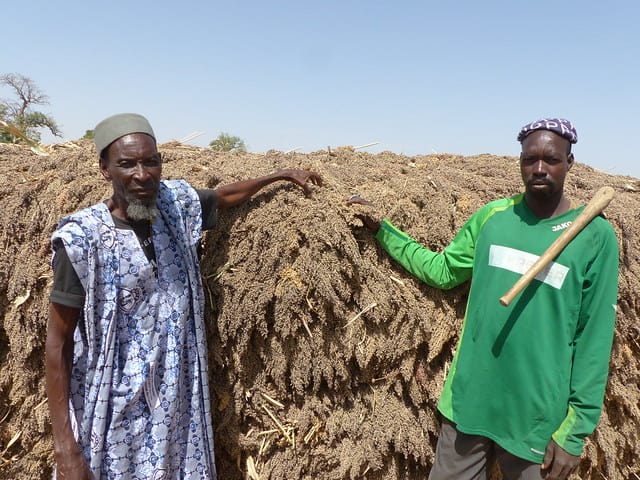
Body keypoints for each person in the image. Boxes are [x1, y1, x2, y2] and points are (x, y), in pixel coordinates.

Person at [45, 113, 322, 479]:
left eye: (150, 162)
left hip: (178, 401)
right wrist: (65, 449)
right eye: (127, 164)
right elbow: (58, 344)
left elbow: (224, 196)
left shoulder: (175, 205)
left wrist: (281, 175)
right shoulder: (82, 240)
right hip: (114, 410)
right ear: (105, 168)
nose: (142, 175)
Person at [348, 118, 619, 480]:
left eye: (551, 159)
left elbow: (594, 338)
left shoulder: (595, 237)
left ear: (569, 162)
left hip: (536, 418)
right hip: (469, 404)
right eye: (529, 159)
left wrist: (574, 433)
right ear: (520, 162)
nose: (539, 168)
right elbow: (443, 271)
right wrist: (383, 230)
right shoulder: (493, 218)